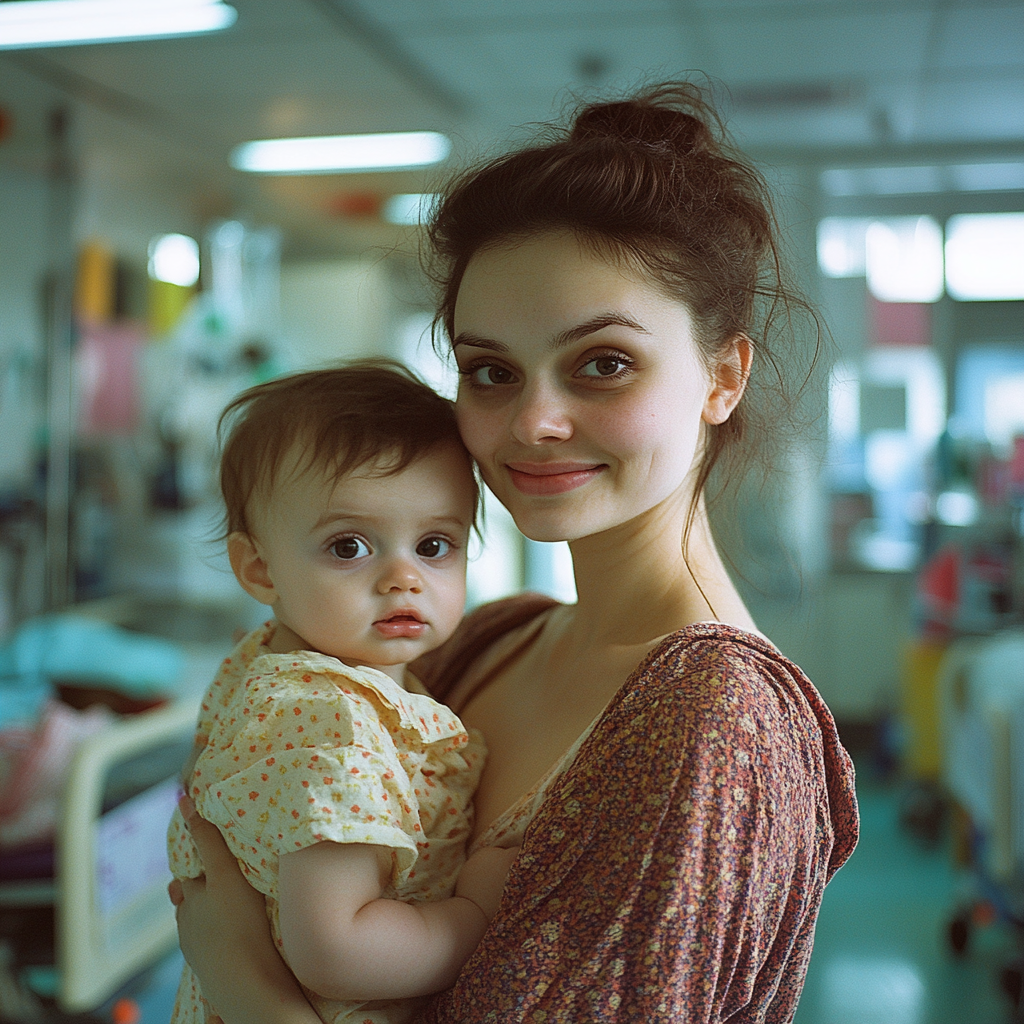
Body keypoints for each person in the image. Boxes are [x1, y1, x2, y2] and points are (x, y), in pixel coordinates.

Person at [170, 81, 860, 1023]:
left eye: (603, 362)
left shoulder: (718, 725)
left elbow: (252, 921)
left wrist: (242, 976)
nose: (533, 421)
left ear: (722, 375)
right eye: (491, 371)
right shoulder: (488, 640)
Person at [166, 362, 518, 1024]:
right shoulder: (332, 720)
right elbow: (337, 951)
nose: (404, 577)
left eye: (435, 544)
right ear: (260, 568)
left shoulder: (267, 665)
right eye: (350, 545)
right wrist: (473, 917)